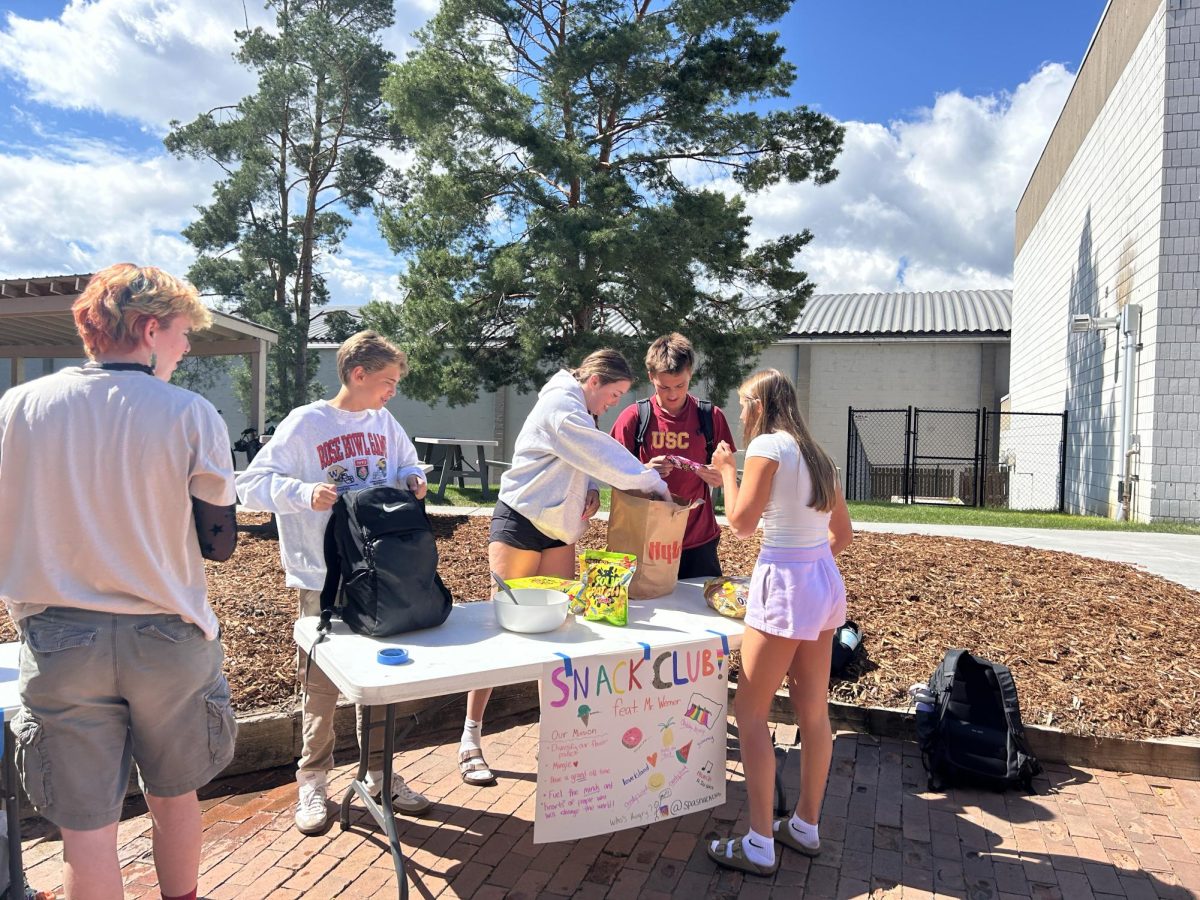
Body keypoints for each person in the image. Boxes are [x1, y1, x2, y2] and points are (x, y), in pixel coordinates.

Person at [0, 263, 239, 900]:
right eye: (184, 332)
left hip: (58, 639)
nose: (187, 347)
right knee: (174, 797)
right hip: (166, 637)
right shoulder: (190, 413)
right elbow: (219, 545)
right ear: (151, 328)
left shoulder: (18, 407)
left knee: (85, 831)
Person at [235, 331, 433, 835]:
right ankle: (313, 779)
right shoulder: (307, 422)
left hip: (378, 574)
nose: (393, 391)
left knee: (383, 676)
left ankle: (380, 773)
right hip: (321, 576)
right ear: (357, 374)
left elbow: (408, 462)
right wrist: (304, 492)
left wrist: (413, 477)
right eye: (387, 381)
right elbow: (251, 486)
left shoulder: (384, 421)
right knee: (320, 683)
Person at [457, 349, 672, 786]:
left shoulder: (577, 410)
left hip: (560, 530)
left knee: (557, 636)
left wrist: (590, 487)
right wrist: (654, 484)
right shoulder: (561, 405)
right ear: (593, 379)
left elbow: (583, 459)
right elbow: (599, 452)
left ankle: (555, 738)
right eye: (612, 394)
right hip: (519, 522)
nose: (611, 404)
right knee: (502, 631)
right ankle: (470, 737)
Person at [706, 369, 853, 876]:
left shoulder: (767, 445)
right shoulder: (818, 454)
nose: (741, 411)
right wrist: (810, 560)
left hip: (784, 590)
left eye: (744, 402)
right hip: (820, 586)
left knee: (749, 714)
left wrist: (727, 470)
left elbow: (742, 525)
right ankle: (805, 826)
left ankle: (758, 843)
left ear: (760, 405)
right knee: (815, 716)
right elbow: (843, 534)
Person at [609, 332, 736, 578]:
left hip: (698, 539)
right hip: (646, 538)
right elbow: (612, 476)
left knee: (701, 611)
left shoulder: (711, 417)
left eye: (681, 385)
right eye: (664, 387)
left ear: (691, 375)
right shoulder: (634, 418)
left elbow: (726, 472)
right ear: (651, 377)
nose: (673, 394)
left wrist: (718, 476)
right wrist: (644, 470)